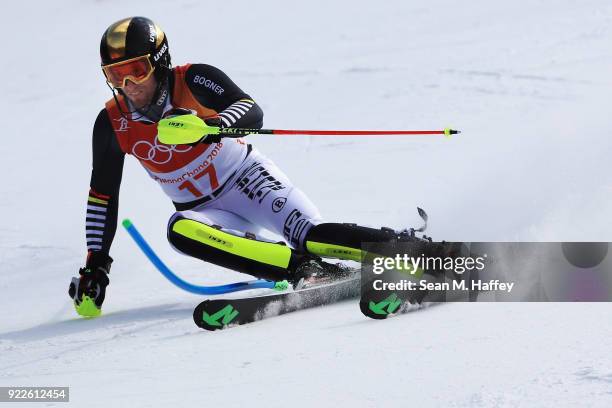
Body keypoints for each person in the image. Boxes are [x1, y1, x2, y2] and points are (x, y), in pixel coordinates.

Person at [68, 16, 428, 316]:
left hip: (249, 181)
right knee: (180, 231)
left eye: (136, 70)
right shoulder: (111, 123)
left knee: (312, 236)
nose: (129, 85)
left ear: (158, 61)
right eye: (116, 76)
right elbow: (102, 197)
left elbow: (250, 109)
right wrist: (96, 264)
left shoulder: (193, 79)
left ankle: (402, 248)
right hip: (204, 212)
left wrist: (211, 128)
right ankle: (303, 270)